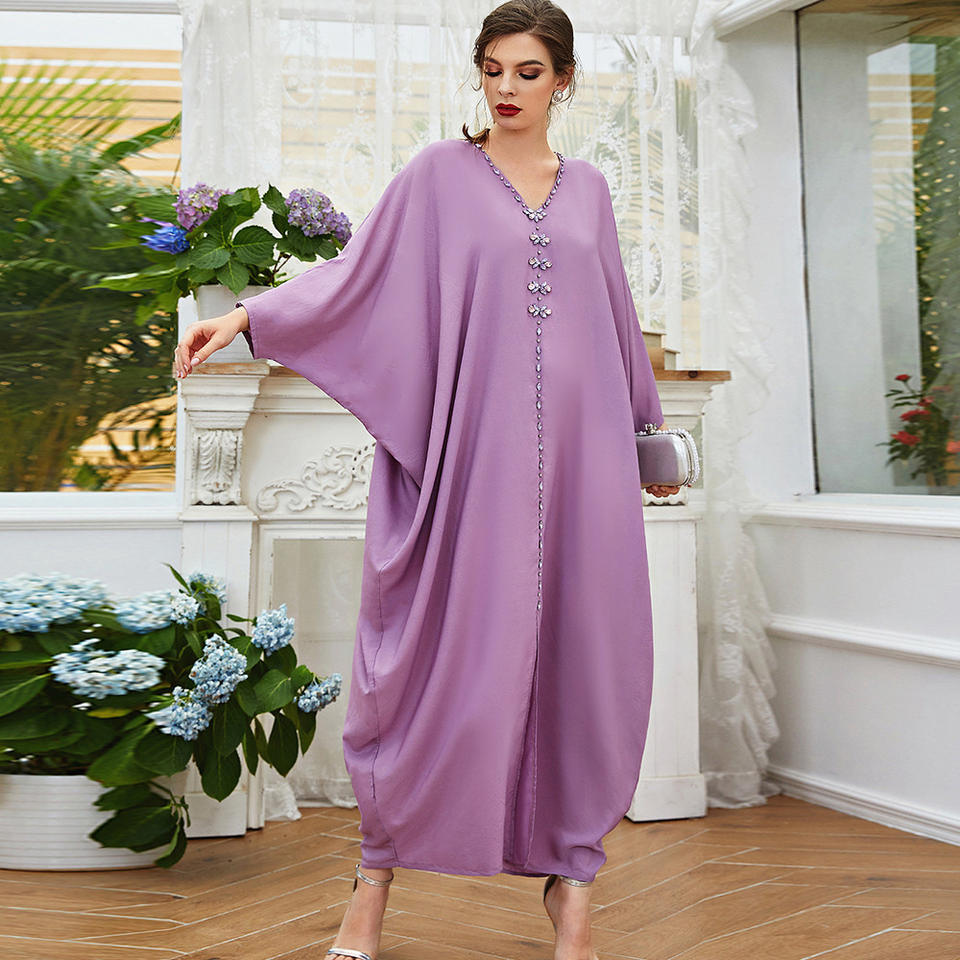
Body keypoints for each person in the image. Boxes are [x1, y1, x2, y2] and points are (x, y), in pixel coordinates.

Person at [174, 3, 680, 958]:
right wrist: (246, 317)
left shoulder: (590, 189)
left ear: (563, 80)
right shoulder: (438, 176)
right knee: (435, 671)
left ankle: (573, 888)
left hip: (587, 468)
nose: (506, 88)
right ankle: (373, 882)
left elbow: (615, 314)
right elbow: (356, 276)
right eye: (493, 68)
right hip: (473, 459)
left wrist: (649, 438)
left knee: (589, 663)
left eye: (528, 72)